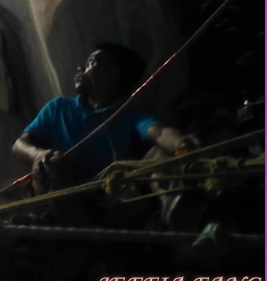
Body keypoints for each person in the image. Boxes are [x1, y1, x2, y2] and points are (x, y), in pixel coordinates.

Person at [12, 43, 199, 194]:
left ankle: (181, 206)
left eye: (91, 62)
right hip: (67, 195)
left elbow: (158, 133)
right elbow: (20, 144)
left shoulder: (128, 114)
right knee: (53, 164)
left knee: (157, 155)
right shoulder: (58, 108)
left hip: (112, 194)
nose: (81, 69)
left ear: (114, 72)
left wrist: (180, 143)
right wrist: (38, 155)